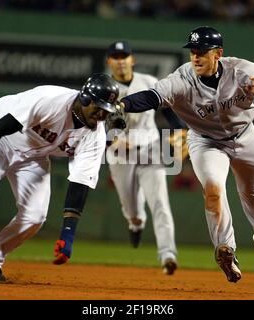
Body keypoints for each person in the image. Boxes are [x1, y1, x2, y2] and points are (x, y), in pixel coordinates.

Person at [118, 26, 254, 283]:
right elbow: (151, 96)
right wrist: (122, 104)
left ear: (218, 53)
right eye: (192, 51)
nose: (195, 56)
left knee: (252, 191)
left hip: (244, 137)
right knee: (213, 189)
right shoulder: (182, 79)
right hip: (206, 142)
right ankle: (226, 249)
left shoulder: (238, 69)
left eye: (202, 51)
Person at [0, 73, 121, 282]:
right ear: (85, 98)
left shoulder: (95, 136)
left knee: (35, 216)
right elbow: (3, 126)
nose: (102, 115)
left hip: (33, 154)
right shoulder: (51, 100)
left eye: (106, 111)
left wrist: (68, 233)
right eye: (98, 107)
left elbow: (79, 184)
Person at [105, 41, 178, 275]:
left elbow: (168, 108)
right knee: (133, 209)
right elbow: (92, 123)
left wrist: (179, 130)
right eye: (116, 57)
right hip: (119, 153)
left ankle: (168, 254)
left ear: (132, 59)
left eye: (124, 56)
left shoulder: (147, 82)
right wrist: (112, 140)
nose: (120, 60)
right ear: (109, 62)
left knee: (160, 202)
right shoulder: (104, 88)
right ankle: (136, 223)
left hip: (150, 147)